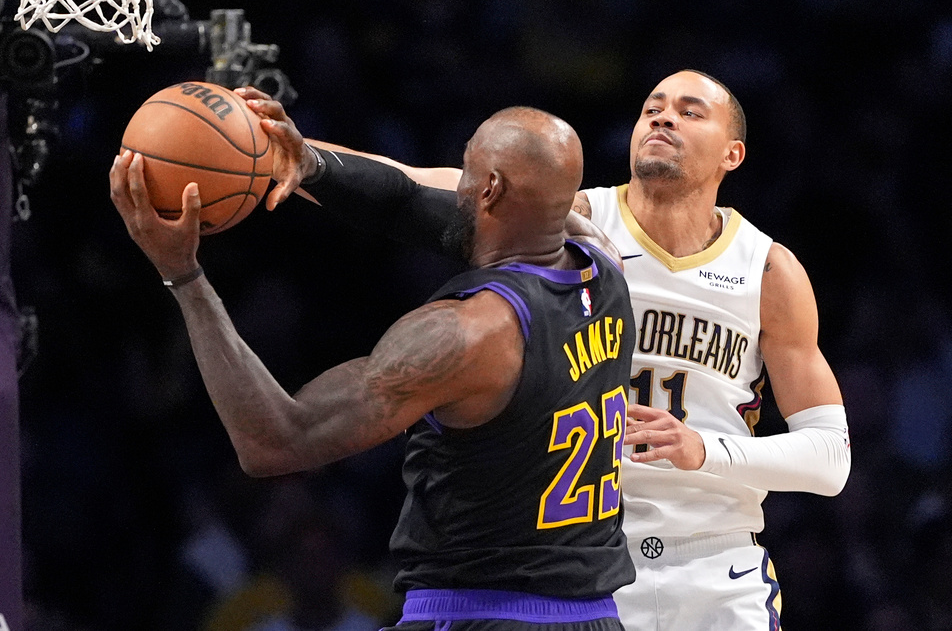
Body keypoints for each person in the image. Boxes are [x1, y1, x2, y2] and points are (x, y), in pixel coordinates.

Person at [235, 69, 851, 630]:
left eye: (690, 112)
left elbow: (830, 458)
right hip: (589, 570)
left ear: (732, 153)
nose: (663, 117)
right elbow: (415, 187)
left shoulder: (769, 271)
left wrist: (704, 450)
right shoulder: (575, 225)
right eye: (652, 108)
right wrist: (297, 156)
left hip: (716, 566)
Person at [110, 106, 638, 629]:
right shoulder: (606, 266)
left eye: (466, 169)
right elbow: (407, 200)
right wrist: (298, 159)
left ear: (491, 189)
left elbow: (275, 440)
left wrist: (183, 275)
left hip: (478, 615)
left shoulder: (469, 333)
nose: (455, 185)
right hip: (593, 615)